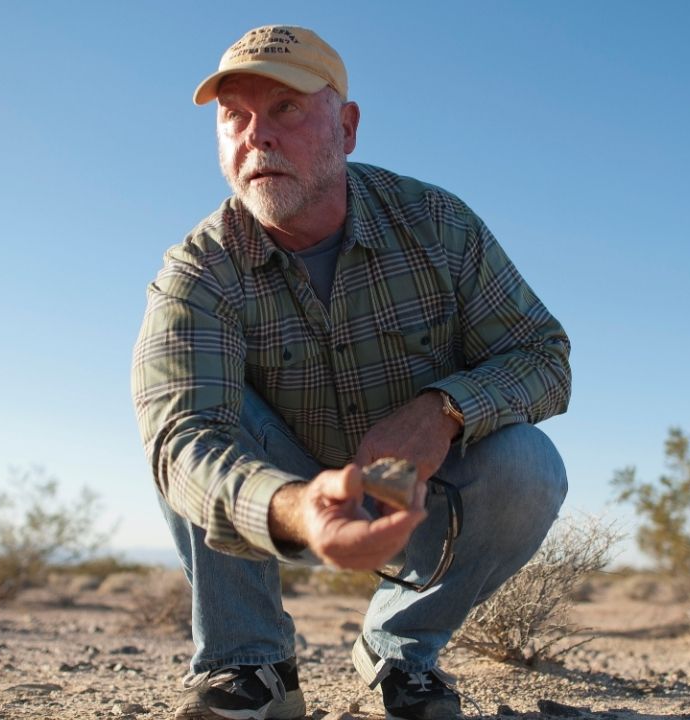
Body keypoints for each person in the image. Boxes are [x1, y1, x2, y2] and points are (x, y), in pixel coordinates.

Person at [132, 24, 571, 720]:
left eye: (286, 110)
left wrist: (443, 409)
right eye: (234, 117)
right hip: (283, 495)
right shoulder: (198, 271)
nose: (257, 137)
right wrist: (294, 509)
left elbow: (543, 357)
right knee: (193, 426)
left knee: (530, 464)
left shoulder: (438, 226)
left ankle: (403, 651)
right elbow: (181, 439)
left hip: (415, 499)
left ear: (347, 126)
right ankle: (251, 667)